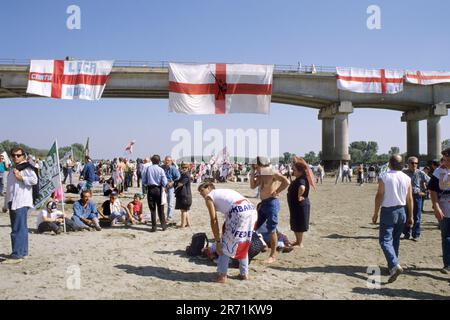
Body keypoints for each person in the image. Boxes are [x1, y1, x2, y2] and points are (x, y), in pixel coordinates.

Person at [198, 182, 257, 283]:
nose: (201, 194)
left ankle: (222, 275)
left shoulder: (209, 197)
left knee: (224, 244)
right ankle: (244, 274)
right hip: (251, 210)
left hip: (238, 211)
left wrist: (217, 241)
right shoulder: (222, 192)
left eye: (202, 191)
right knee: (243, 241)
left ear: (209, 187)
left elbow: (214, 220)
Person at [372, 154, 413, 283]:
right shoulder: (406, 178)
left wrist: (375, 213)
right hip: (402, 210)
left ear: (390, 163)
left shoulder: (385, 176)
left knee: (384, 240)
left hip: (388, 211)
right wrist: (411, 216)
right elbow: (410, 199)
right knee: (395, 240)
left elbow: (379, 195)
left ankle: (395, 265)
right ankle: (392, 266)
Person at [250, 156, 290, 263]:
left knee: (271, 230)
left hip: (272, 202)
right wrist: (252, 172)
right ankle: (262, 245)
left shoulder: (272, 172)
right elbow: (252, 186)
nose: (255, 167)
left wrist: (277, 191)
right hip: (263, 203)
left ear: (260, 164)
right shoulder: (262, 173)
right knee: (254, 225)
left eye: (256, 165)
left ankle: (273, 255)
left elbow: (286, 181)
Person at [1, 147, 38, 264]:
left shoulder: (26, 167)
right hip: (13, 201)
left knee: (17, 228)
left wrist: (21, 177)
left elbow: (34, 180)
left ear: (23, 156)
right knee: (20, 228)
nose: (16, 157)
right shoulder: (13, 168)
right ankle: (22, 252)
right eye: (13, 155)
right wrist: (5, 204)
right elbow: (9, 188)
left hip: (21, 201)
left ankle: (17, 254)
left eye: (18, 155)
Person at [428, 147, 450, 274]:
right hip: (444, 208)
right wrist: (436, 206)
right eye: (444, 159)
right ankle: (447, 264)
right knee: (446, 236)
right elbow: (432, 190)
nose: (445, 162)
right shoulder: (439, 171)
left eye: (447, 160)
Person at [287, 158, 316, 248]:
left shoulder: (302, 179)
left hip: (300, 205)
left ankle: (300, 243)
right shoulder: (299, 178)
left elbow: (302, 187)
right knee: (295, 223)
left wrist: (299, 195)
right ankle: (297, 241)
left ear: (300, 171)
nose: (293, 171)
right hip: (296, 205)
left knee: (299, 224)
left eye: (294, 170)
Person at [402, 156, 430, 241]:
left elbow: (431, 182)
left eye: (416, 163)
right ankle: (406, 233)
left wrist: (425, 192)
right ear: (408, 164)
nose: (414, 165)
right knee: (406, 215)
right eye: (412, 163)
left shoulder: (420, 173)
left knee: (417, 216)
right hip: (406, 196)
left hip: (417, 196)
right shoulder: (403, 172)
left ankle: (416, 234)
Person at [142, 155, 168, 232]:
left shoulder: (147, 169)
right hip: (159, 189)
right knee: (161, 209)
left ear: (152, 161)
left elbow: (144, 181)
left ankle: (154, 227)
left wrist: (148, 183)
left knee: (152, 209)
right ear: (159, 161)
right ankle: (163, 226)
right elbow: (165, 182)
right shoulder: (161, 170)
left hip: (150, 189)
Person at [161, 156, 180, 223]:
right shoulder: (162, 167)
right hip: (163, 187)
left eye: (168, 160)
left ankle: (169, 217)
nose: (167, 161)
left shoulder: (173, 168)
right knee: (161, 202)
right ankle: (162, 217)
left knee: (170, 203)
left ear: (171, 161)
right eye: (166, 160)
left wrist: (172, 182)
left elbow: (178, 177)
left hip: (170, 187)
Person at [175, 162, 193, 228]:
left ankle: (182, 225)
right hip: (185, 195)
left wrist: (175, 183)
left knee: (183, 210)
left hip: (185, 195)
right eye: (183, 167)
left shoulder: (185, 175)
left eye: (185, 167)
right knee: (185, 210)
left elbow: (181, 184)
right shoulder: (184, 174)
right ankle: (188, 223)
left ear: (188, 168)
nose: (184, 168)